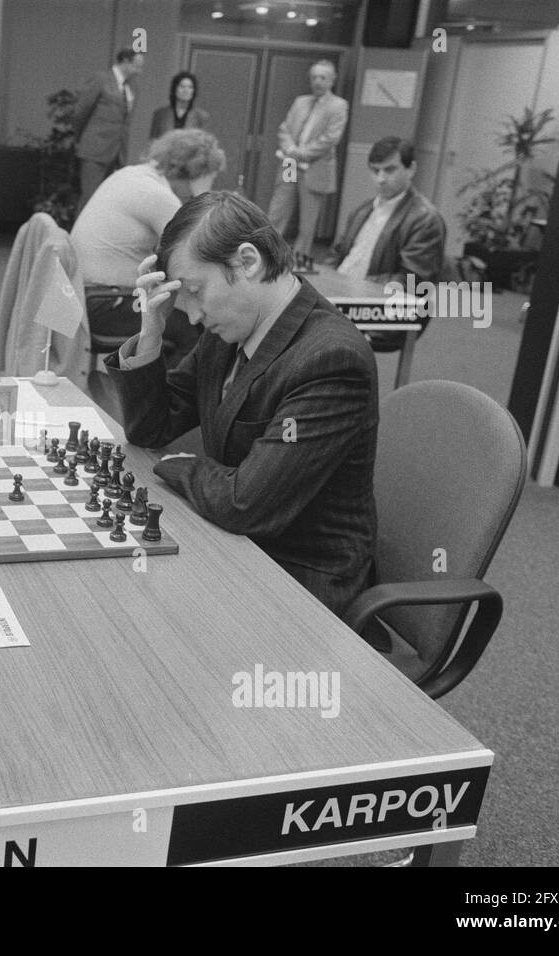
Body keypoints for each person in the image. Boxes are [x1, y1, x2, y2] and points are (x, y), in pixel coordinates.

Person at [105, 192, 378, 617]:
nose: (192, 316)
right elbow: (150, 429)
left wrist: (177, 463)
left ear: (248, 261)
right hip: (230, 541)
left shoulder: (330, 360)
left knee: (130, 614)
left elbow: (244, 503)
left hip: (296, 583)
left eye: (195, 292)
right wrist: (151, 334)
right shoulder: (229, 329)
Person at [71, 128, 225, 367]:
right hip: (104, 304)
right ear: (196, 172)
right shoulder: (158, 196)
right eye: (210, 177)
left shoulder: (131, 175)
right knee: (195, 331)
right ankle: (171, 401)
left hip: (84, 297)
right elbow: (198, 256)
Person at [325, 136, 447, 352]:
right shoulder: (362, 210)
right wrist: (324, 280)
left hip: (389, 310)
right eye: (375, 170)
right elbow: (337, 255)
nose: (380, 178)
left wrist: (350, 285)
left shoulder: (425, 219)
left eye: (389, 170)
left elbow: (413, 281)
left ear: (411, 170)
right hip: (343, 297)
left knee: (306, 328)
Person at [266, 59, 348, 263]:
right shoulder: (300, 102)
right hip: (290, 164)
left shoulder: (339, 106)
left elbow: (330, 138)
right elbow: (284, 129)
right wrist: (290, 150)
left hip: (314, 167)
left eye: (323, 77)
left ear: (332, 80)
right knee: (278, 210)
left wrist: (300, 153)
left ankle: (298, 260)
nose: (317, 82)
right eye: (314, 77)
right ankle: (267, 254)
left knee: (307, 223)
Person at [73, 48, 145, 212]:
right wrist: (82, 139)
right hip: (95, 148)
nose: (140, 71)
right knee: (89, 199)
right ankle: (79, 237)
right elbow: (81, 111)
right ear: (125, 62)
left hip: (117, 152)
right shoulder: (101, 79)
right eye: (137, 66)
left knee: (106, 202)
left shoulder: (132, 87)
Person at [149, 71, 211, 140]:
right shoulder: (160, 114)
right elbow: (152, 142)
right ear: (175, 89)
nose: (186, 90)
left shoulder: (201, 117)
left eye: (190, 87)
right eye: (182, 86)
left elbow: (203, 145)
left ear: (193, 91)